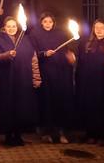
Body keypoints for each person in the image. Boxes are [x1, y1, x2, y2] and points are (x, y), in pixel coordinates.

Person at [0, 16, 42, 146]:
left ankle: (18, 135)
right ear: (4, 27)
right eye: (9, 26)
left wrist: (36, 78)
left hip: (23, 80)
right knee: (8, 108)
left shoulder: (25, 40)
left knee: (20, 108)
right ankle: (8, 136)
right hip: (6, 80)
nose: (11, 28)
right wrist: (7, 55)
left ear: (17, 27)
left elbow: (33, 60)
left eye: (13, 26)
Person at [30, 12, 75, 144]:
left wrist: (71, 56)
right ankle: (47, 131)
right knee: (47, 102)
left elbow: (67, 49)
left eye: (50, 22)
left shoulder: (60, 34)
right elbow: (33, 53)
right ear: (41, 22)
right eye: (45, 22)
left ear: (54, 23)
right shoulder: (35, 34)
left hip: (60, 74)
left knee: (60, 102)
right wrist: (44, 53)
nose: (48, 24)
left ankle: (61, 131)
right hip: (45, 73)